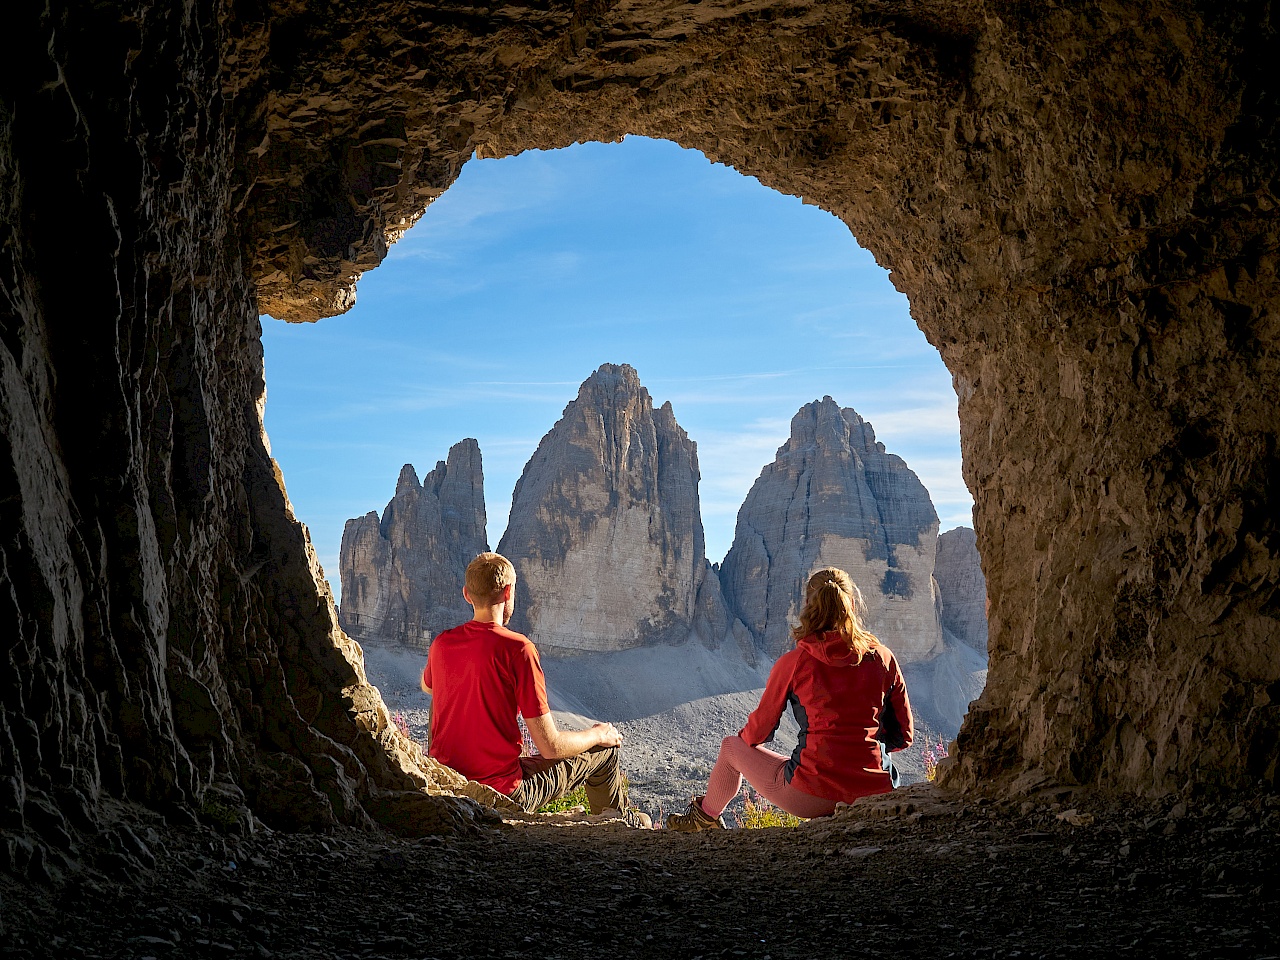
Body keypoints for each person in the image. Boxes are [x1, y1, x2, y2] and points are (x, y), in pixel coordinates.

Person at [666, 567, 913, 832]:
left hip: (811, 796)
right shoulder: (883, 658)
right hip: (877, 790)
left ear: (808, 605)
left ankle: (703, 820)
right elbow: (903, 736)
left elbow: (758, 732)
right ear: (851, 604)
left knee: (730, 748)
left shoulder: (794, 663)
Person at [421, 552, 649, 826]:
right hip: (504, 793)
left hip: (452, 785)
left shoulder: (442, 644)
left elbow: (428, 686)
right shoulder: (518, 649)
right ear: (508, 593)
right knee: (604, 749)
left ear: (467, 594)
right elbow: (550, 747)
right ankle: (619, 826)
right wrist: (595, 733)